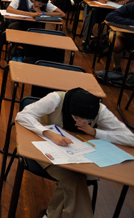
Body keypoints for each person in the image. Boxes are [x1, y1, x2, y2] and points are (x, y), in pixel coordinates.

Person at [16, 88, 134, 218]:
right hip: (47, 150)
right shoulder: (56, 99)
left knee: (72, 182)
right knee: (74, 180)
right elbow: (23, 115)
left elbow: (130, 138)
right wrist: (49, 134)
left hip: (79, 156)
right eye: (77, 118)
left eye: (87, 121)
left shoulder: (100, 110)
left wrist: (95, 132)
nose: (81, 123)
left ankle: (51, 215)